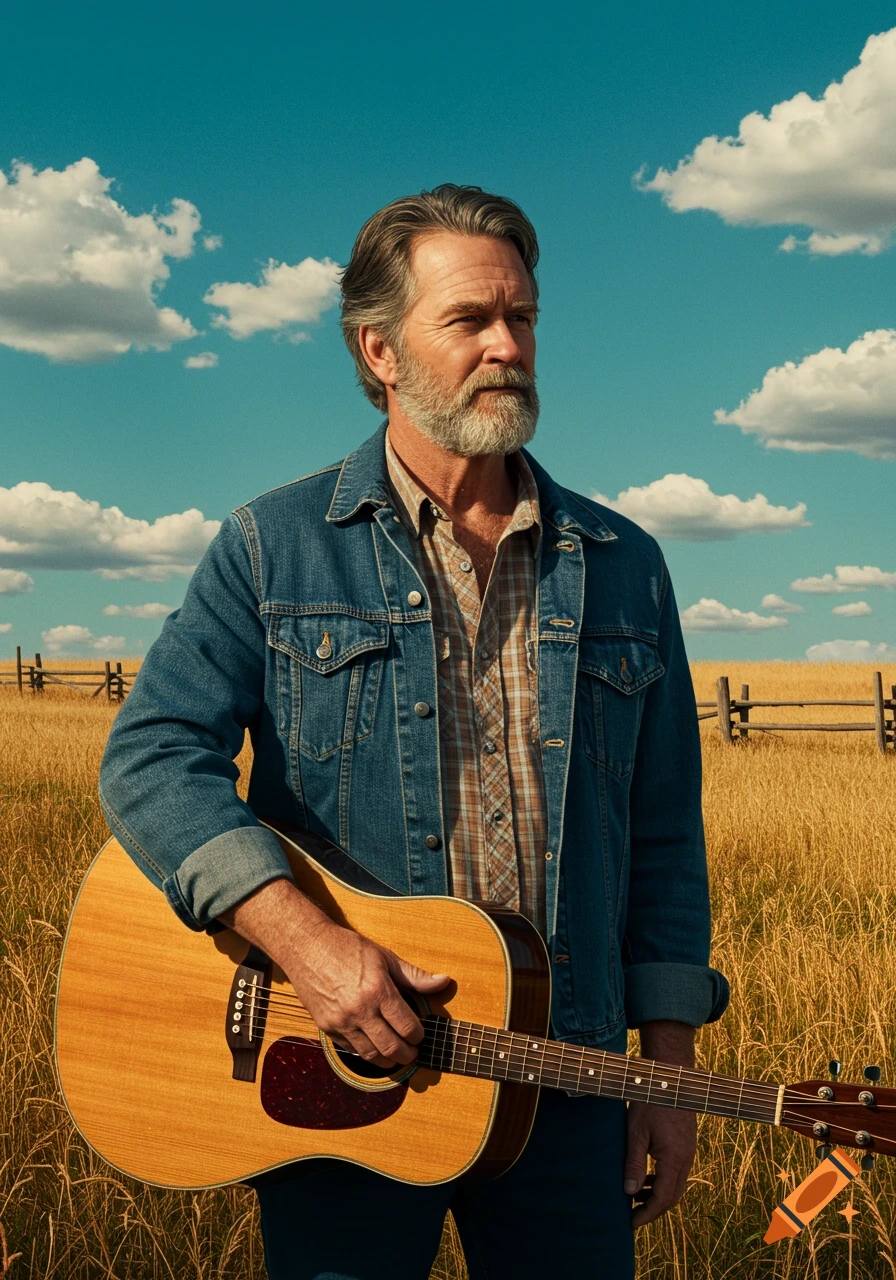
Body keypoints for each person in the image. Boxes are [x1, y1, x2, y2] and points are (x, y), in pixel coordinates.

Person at [99, 184, 728, 1280]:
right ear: (379, 349)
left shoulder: (624, 564)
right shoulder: (275, 546)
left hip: (568, 1086)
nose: (507, 346)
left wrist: (661, 1075)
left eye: (521, 317)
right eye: (470, 320)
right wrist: (308, 947)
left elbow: (664, 834)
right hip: (335, 1063)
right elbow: (151, 755)